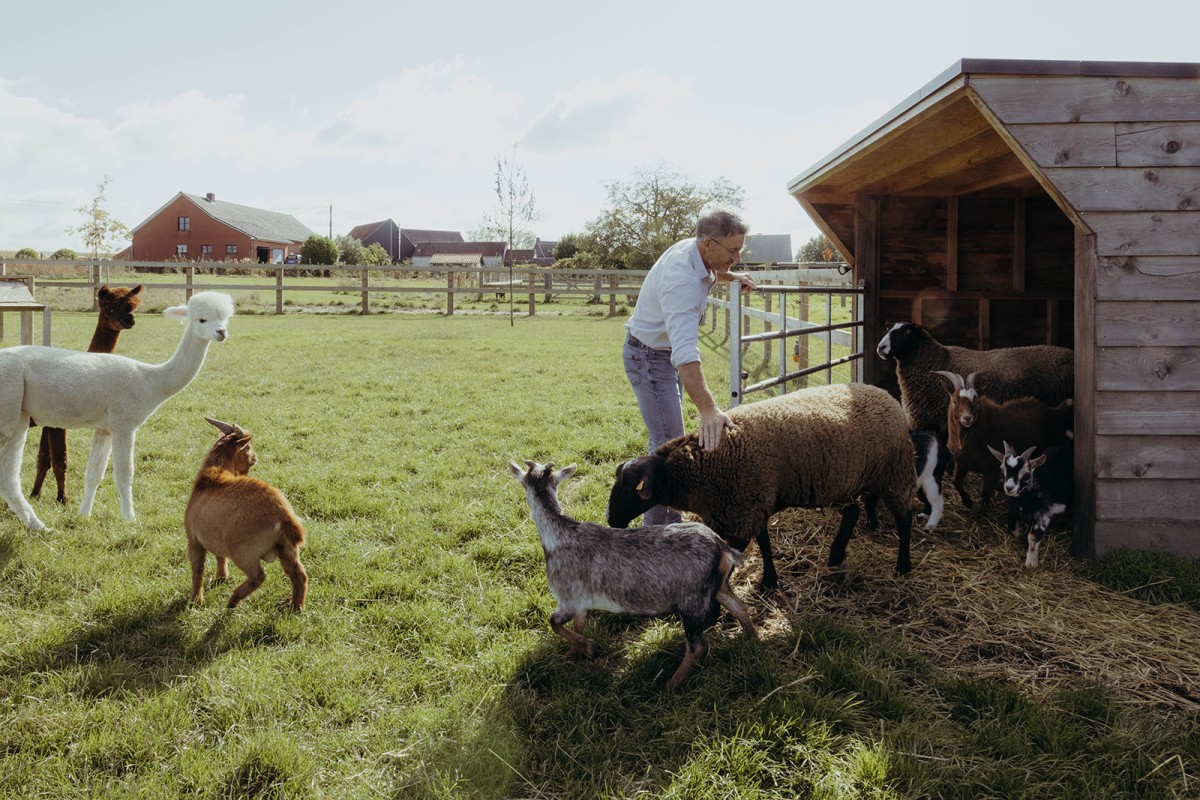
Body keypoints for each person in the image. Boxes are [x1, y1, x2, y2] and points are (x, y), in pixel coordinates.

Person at [622, 209, 759, 525]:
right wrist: (709, 409)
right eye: (733, 250)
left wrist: (733, 276)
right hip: (649, 359)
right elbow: (685, 355)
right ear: (708, 244)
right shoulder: (681, 282)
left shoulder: (696, 251)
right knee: (669, 452)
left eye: (740, 250)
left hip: (659, 352)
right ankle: (661, 538)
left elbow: (710, 272)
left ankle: (664, 528)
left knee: (667, 441)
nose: (738, 257)